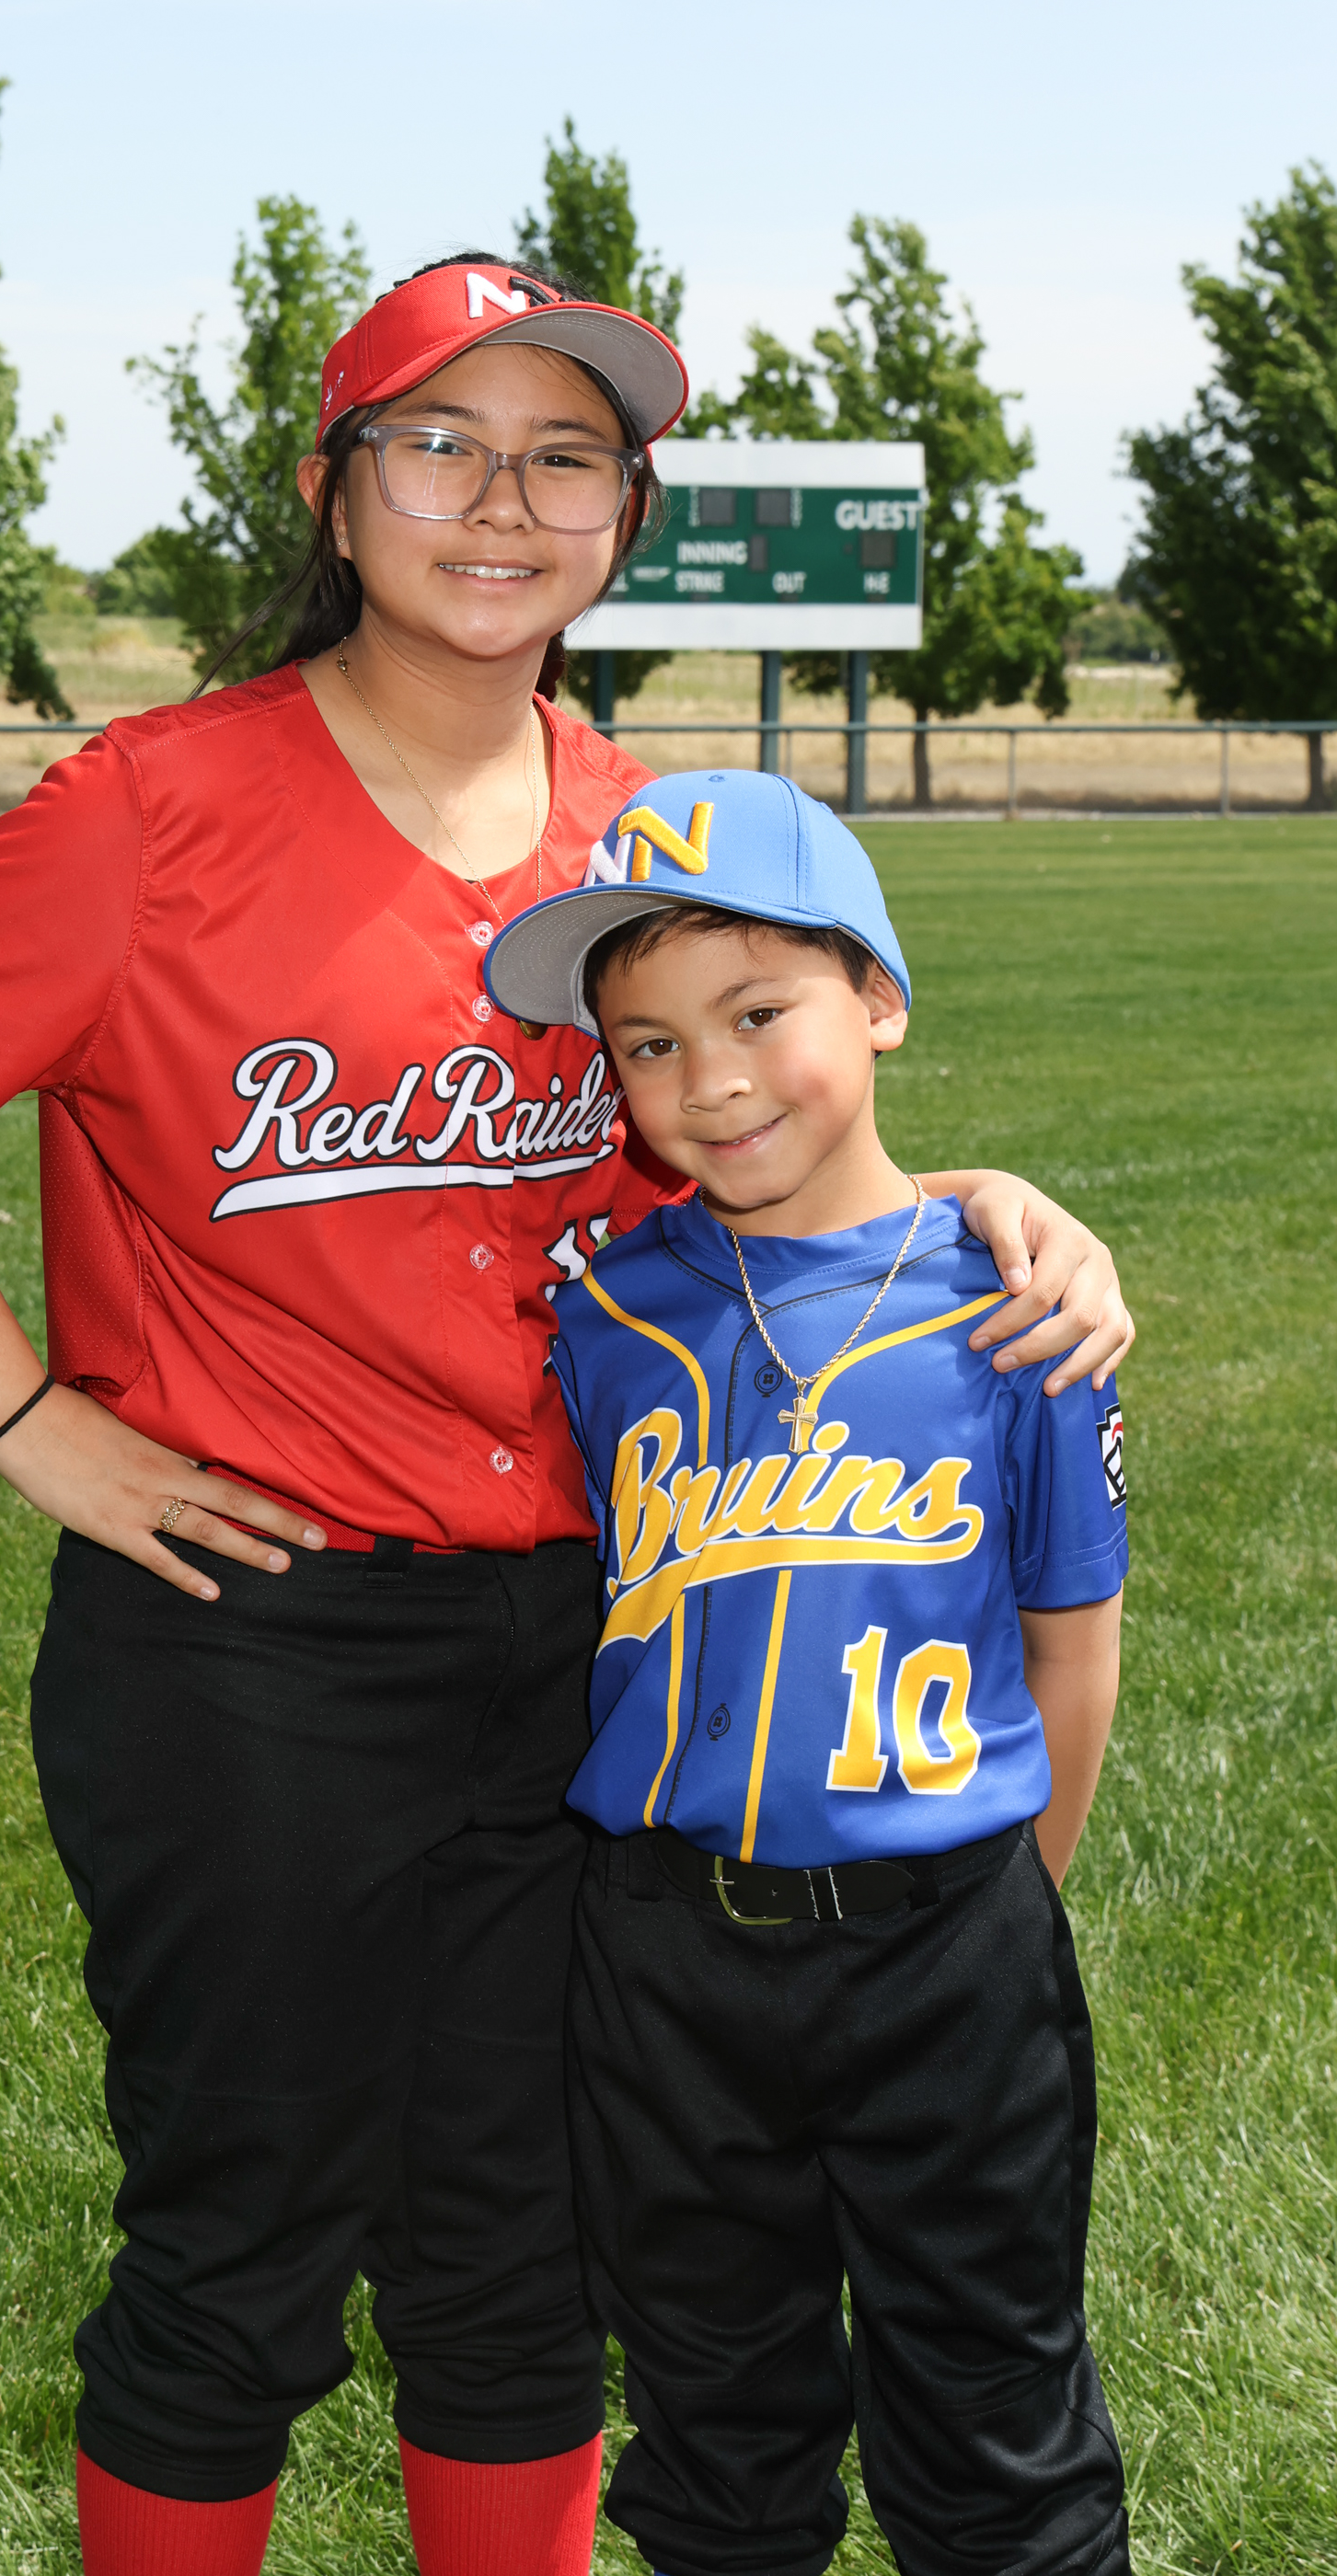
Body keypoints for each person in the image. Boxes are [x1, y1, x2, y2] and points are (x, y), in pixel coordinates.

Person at [0, 259, 1135, 2576]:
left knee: (524, 2246)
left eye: (564, 455)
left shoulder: (637, 839)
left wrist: (987, 1203)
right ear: (334, 491)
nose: (501, 501)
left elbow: (758, 1133)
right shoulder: (159, 802)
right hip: (256, 1635)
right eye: (438, 443)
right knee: (242, 2242)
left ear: (626, 515)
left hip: (590, 1638)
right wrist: (25, 1417)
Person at [484, 768, 1130, 2576]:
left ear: (880, 999)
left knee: (995, 2427)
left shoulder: (1020, 1304)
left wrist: (1004, 1908)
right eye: (649, 1045)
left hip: (949, 1939)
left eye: (758, 1012)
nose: (710, 1080)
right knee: (714, 2430)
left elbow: (1070, 1650)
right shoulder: (605, 1313)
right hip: (666, 1953)